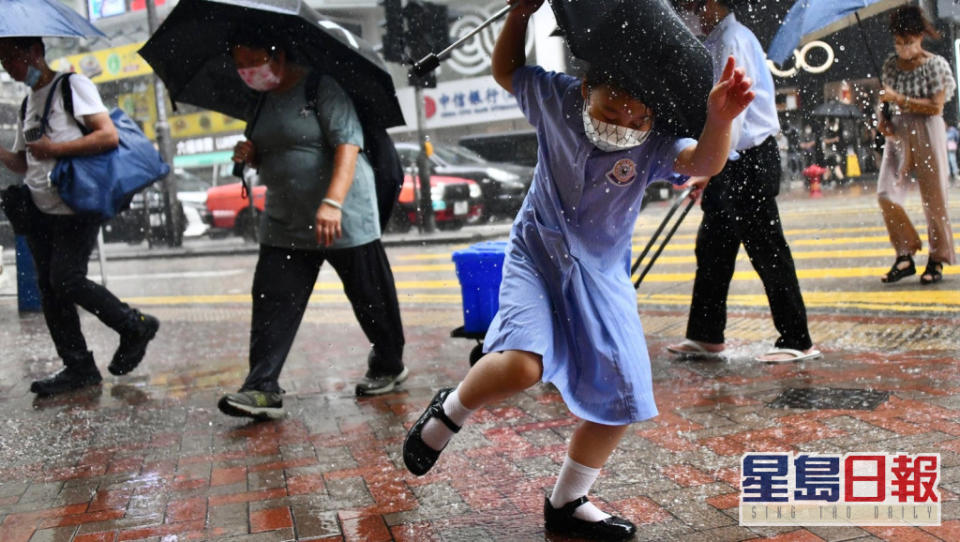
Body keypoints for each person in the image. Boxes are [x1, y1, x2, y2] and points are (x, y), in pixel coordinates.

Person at [401, 0, 756, 539]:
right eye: (614, 109)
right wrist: (518, 14)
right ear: (587, 86)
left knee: (624, 396)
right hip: (536, 256)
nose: (625, 124)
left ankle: (567, 500)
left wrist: (720, 119)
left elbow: (703, 163)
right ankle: (448, 413)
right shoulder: (556, 98)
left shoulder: (655, 142)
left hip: (602, 274)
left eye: (639, 117)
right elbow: (505, 71)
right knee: (521, 367)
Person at [216, 30, 407, 420]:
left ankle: (389, 363)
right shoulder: (260, 100)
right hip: (286, 220)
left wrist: (333, 203)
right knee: (271, 300)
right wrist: (250, 153)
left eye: (253, 61)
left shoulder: (322, 87)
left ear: (278, 53)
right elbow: (275, 148)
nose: (247, 70)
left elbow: (347, 146)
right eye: (240, 64)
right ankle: (261, 387)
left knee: (371, 296)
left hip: (342, 213)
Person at [0, 37, 159, 396]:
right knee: (50, 290)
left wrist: (56, 148)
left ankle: (134, 325)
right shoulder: (28, 103)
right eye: (2, 62)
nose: (8, 68)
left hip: (77, 203)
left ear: (35, 53)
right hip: (42, 209)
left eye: (11, 58)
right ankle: (78, 366)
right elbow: (24, 162)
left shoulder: (72, 86)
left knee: (66, 279)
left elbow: (108, 136)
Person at [668, 0, 820, 363]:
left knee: (767, 249)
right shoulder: (719, 39)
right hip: (733, 160)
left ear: (710, 4)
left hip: (748, 159)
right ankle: (706, 335)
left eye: (690, 4)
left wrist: (707, 165)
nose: (687, 11)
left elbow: (732, 115)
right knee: (713, 248)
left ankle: (797, 339)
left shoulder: (732, 40)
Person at [876, 5, 956, 285]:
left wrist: (900, 100)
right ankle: (905, 252)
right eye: (898, 43)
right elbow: (885, 99)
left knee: (934, 200)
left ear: (920, 37)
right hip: (898, 132)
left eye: (908, 43)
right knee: (886, 192)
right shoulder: (889, 64)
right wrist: (882, 118)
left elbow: (936, 106)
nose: (903, 50)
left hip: (928, 130)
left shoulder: (935, 65)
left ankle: (937, 257)